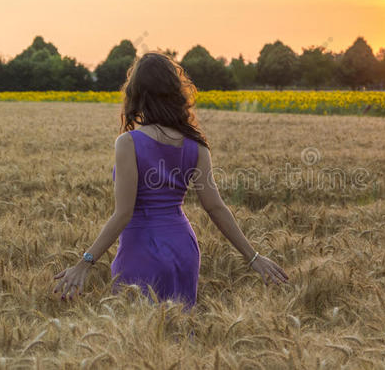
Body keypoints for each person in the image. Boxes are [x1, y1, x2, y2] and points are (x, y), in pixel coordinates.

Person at [52, 52, 289, 310]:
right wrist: (253, 256)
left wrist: (86, 262)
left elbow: (123, 213)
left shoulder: (129, 143)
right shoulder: (196, 146)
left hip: (140, 250)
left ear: (137, 94)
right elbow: (216, 207)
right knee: (179, 333)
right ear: (176, 93)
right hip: (183, 249)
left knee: (139, 337)